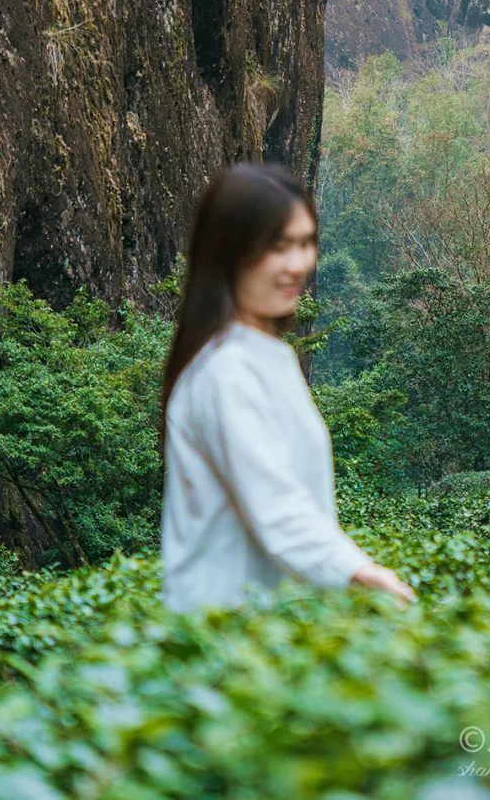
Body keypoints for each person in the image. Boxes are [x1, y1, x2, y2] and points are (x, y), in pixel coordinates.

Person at [160, 162, 415, 611]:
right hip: (224, 638)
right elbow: (276, 507)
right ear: (228, 253)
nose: (298, 265)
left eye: (306, 243)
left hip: (269, 629)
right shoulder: (227, 370)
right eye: (279, 247)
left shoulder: (269, 356)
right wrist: (363, 573)